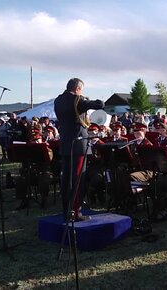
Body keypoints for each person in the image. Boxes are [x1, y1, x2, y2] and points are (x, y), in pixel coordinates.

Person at [54, 78, 104, 221]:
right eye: (81, 90)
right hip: (78, 145)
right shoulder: (77, 100)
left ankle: (66, 210)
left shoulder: (58, 100)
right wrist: (85, 99)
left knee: (66, 179)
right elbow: (100, 104)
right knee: (77, 179)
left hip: (65, 144)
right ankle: (75, 212)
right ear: (77, 89)